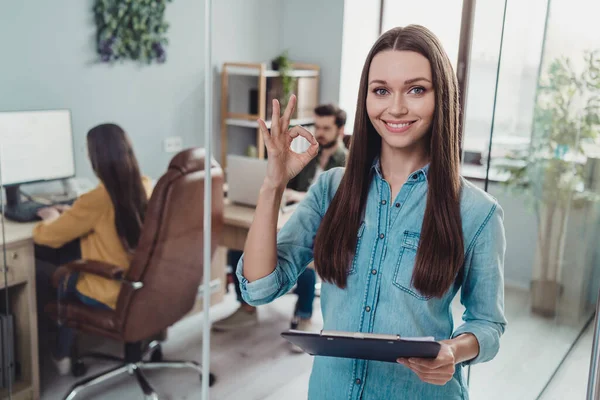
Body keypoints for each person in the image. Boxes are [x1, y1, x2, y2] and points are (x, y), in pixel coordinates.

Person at [237, 25, 507, 399]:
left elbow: (488, 323)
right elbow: (260, 288)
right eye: (381, 90)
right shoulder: (332, 189)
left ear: (440, 96)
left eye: (416, 90)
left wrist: (454, 351)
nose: (395, 107)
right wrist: (273, 184)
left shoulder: (477, 211)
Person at [213, 104, 348, 340]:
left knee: (303, 259)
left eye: (327, 128)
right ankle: (246, 307)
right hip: (295, 210)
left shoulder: (345, 163)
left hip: (326, 223)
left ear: (340, 129)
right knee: (241, 246)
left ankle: (304, 315)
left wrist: (303, 197)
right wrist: (277, 185)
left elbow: (334, 199)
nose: (321, 132)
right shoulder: (309, 153)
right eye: (317, 126)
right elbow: (293, 184)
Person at [33, 123, 153, 375]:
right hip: (145, 288)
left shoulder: (96, 200)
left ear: (95, 158)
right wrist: (74, 214)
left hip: (110, 292)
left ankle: (61, 353)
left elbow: (46, 237)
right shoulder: (146, 185)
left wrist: (51, 216)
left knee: (63, 274)